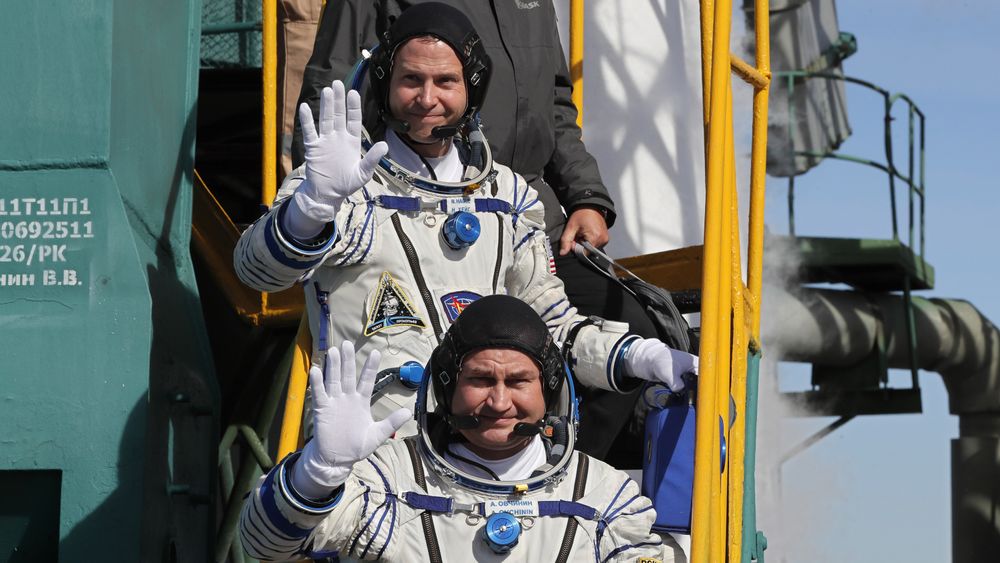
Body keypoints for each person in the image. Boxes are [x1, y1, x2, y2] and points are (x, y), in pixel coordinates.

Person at [234, 3, 695, 434]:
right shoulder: (351, 199)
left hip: (486, 460)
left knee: (638, 324)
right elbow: (261, 271)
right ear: (386, 81)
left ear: (471, 85)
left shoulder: (509, 200)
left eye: (446, 82)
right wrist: (315, 203)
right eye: (411, 79)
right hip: (380, 455)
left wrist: (641, 355)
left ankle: (544, 455)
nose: (427, 98)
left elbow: (554, 326)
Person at [240, 295, 685, 561]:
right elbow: (263, 543)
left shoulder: (603, 497)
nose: (499, 401)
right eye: (480, 379)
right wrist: (318, 475)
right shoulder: (390, 478)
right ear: (448, 387)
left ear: (549, 391)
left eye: (518, 381)